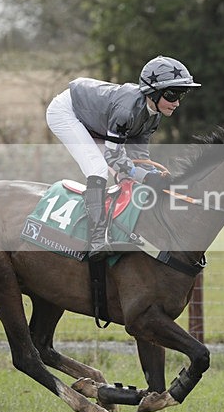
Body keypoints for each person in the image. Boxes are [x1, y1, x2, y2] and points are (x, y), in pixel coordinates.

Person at [46, 55, 201, 260]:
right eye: (172, 95)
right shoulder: (127, 110)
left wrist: (152, 174)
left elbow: (138, 155)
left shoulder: (153, 115)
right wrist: (145, 177)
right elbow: (113, 156)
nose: (177, 103)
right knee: (98, 168)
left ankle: (123, 229)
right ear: (152, 93)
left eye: (182, 95)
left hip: (94, 120)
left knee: (126, 175)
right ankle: (97, 238)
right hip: (67, 112)